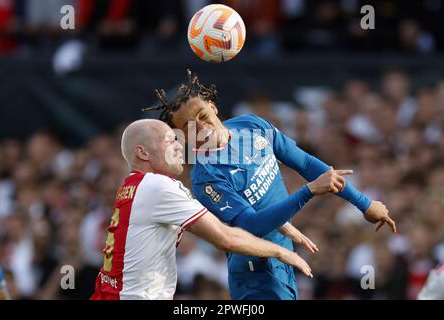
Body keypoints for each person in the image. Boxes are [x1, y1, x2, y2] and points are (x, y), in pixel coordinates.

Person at [143, 69, 397, 300]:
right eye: (189, 127)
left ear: (213, 107)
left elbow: (306, 163)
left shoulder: (252, 125)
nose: (201, 127)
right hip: (256, 272)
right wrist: (308, 191)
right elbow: (251, 225)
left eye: (203, 115)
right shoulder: (206, 176)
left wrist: (364, 204)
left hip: (283, 257)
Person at [90, 119, 316, 300]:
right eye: (170, 141)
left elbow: (226, 221)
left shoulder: (135, 186)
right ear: (143, 153)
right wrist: (280, 251)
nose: (180, 146)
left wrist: (277, 222)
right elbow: (225, 238)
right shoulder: (158, 186)